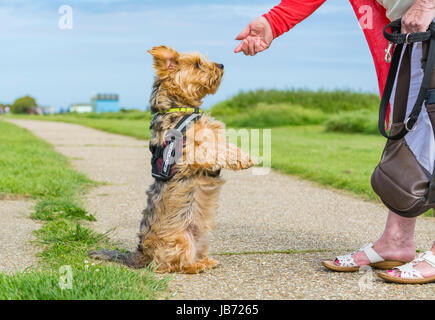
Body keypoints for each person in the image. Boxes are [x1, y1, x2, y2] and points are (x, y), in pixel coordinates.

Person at [234, 0, 435, 284]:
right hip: (412, 26)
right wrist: (273, 22)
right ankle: (396, 241)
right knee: (409, 129)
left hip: (426, 14)